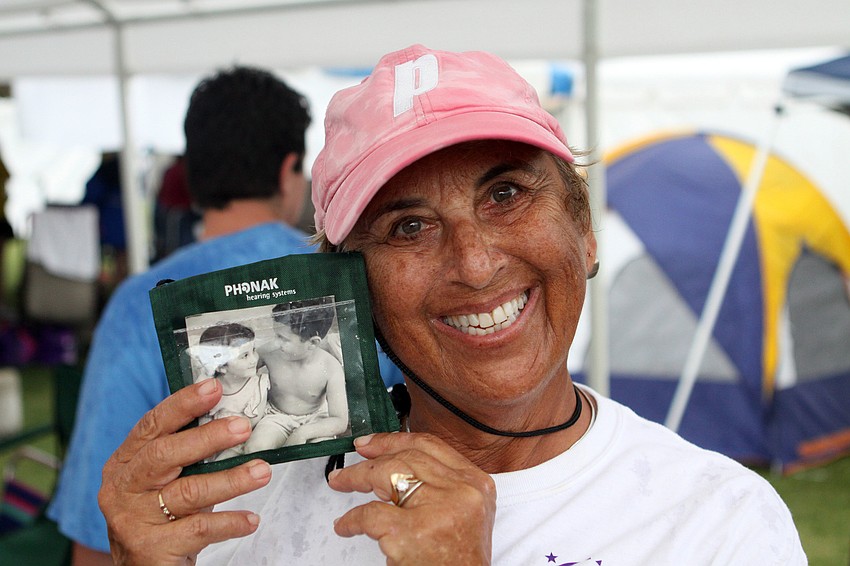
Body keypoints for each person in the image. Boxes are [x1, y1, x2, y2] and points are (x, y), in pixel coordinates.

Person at [98, 46, 806, 565]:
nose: (475, 264)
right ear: (349, 295)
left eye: (506, 194)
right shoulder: (242, 511)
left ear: (584, 230)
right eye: (408, 227)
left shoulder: (720, 523)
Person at [48, 65, 403, 566]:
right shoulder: (348, 283)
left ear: (193, 180)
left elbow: (100, 526)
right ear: (288, 172)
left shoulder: (137, 306)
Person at [245, 300, 348, 451]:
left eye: (283, 339)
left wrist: (303, 433)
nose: (276, 343)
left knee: (323, 450)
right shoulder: (269, 352)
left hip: (316, 419)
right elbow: (240, 368)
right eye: (276, 335)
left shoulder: (331, 368)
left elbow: (340, 421)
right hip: (276, 416)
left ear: (312, 343)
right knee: (253, 448)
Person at [193, 322, 269, 461]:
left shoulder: (258, 385)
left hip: (243, 442)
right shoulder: (211, 388)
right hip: (214, 443)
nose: (254, 359)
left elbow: (252, 423)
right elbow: (202, 424)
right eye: (245, 355)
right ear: (221, 367)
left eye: (254, 350)